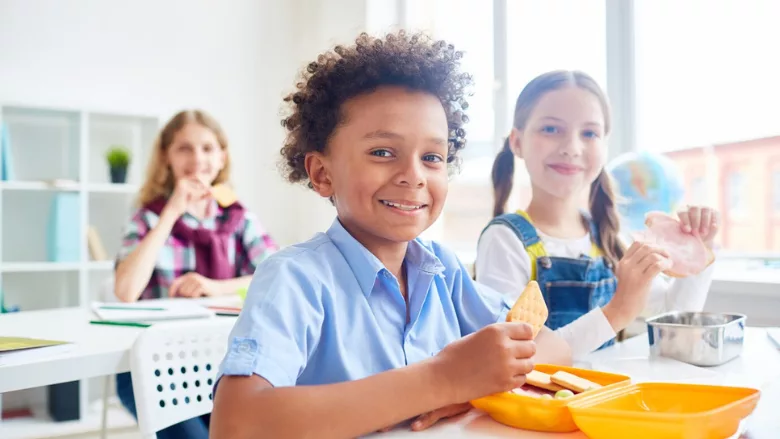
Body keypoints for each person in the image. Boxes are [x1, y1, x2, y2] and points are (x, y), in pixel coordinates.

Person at [210, 31, 572, 439]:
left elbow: (552, 347)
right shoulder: (294, 279)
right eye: (383, 152)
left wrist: (468, 390)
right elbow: (236, 424)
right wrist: (441, 380)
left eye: (432, 157)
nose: (413, 176)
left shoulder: (443, 271)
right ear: (322, 173)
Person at [475, 70, 718, 357]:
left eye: (589, 133)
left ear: (604, 146)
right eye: (551, 129)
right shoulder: (505, 240)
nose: (571, 148)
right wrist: (619, 310)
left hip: (604, 399)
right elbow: (520, 354)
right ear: (517, 142)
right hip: (540, 402)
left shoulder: (605, 236)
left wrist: (698, 252)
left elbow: (673, 316)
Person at [113, 109, 278, 438]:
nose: (197, 159)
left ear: (221, 157)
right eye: (184, 148)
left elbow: (275, 276)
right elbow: (125, 291)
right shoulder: (147, 218)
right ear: (166, 157)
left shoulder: (239, 217)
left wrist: (214, 287)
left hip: (224, 363)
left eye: (207, 148)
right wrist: (172, 211)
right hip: (156, 367)